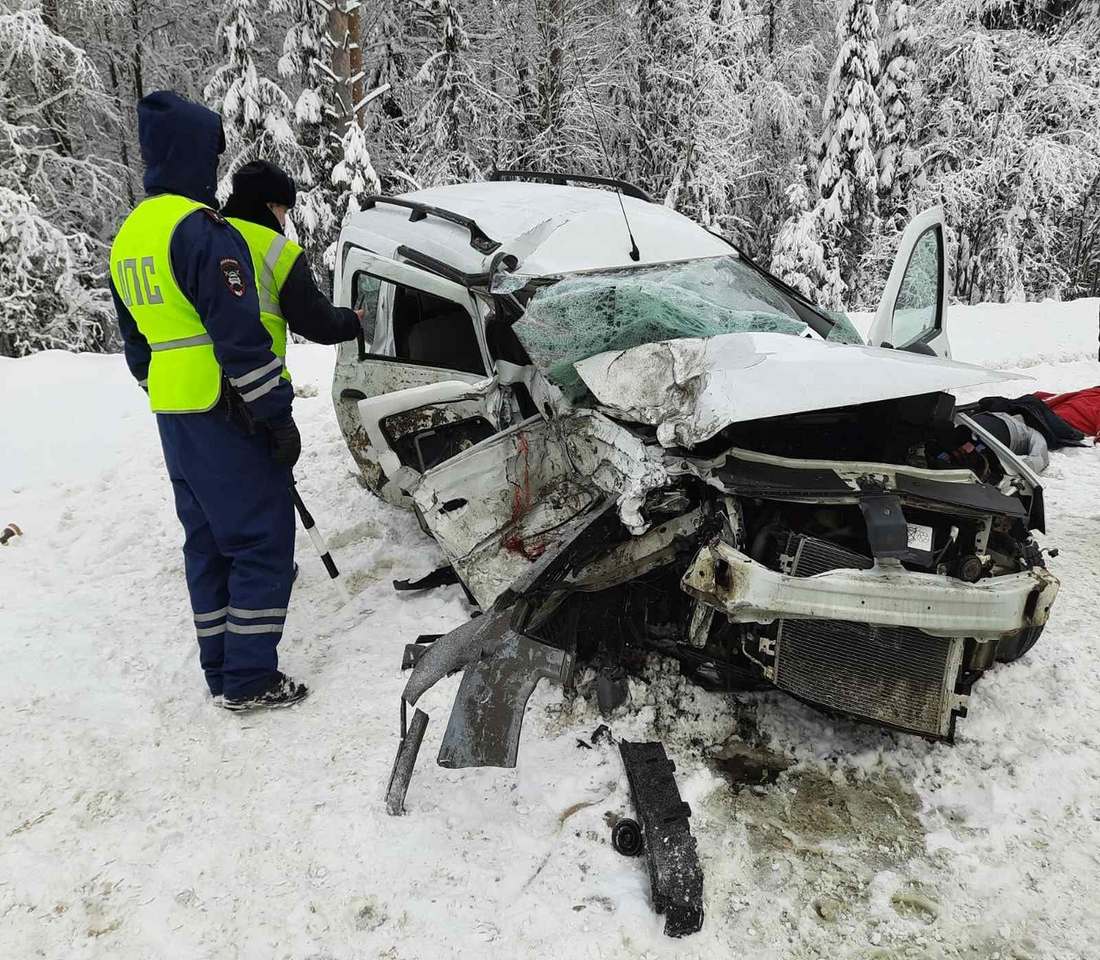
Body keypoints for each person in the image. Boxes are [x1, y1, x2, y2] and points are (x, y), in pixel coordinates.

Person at [108, 91, 307, 711]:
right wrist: (274, 412)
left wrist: (166, 388)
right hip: (228, 408)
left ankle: (220, 668)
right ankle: (249, 678)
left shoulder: (130, 236)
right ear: (196, 153)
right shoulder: (201, 231)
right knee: (260, 539)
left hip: (174, 412)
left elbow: (137, 348)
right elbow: (240, 335)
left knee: (207, 542)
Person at [220, 160, 362, 351]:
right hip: (263, 372)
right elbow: (314, 320)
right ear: (269, 206)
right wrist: (351, 320)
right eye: (284, 212)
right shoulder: (279, 251)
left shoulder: (208, 234)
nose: (285, 222)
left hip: (207, 375)